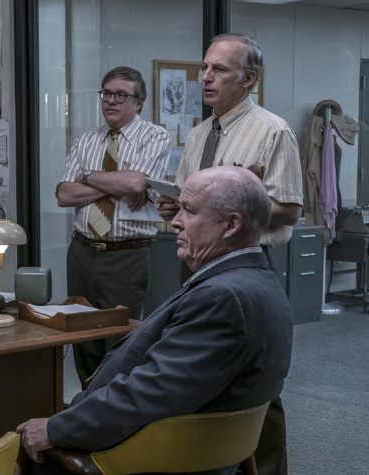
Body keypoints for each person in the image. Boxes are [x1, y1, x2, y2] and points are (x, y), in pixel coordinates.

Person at [17, 167, 294, 475]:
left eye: (188, 211)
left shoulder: (224, 297)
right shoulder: (261, 283)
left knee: (12, 443)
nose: (174, 220)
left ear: (231, 224)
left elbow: (146, 396)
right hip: (203, 453)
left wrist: (55, 429)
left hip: (141, 458)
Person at [156, 33, 302, 475]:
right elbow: (193, 199)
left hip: (243, 271)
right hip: (197, 266)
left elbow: (290, 209)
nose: (205, 78)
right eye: (204, 68)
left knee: (256, 385)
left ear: (249, 79)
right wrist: (176, 205)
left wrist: (231, 206)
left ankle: (269, 468)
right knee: (199, 372)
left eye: (218, 70)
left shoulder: (272, 131)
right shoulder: (201, 132)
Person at [56, 66, 170, 391]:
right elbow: (64, 194)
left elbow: (136, 182)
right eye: (106, 93)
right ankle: (86, 408)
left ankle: (112, 413)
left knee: (119, 343)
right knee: (82, 338)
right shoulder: (86, 140)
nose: (111, 101)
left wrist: (87, 177)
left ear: (139, 102)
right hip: (81, 251)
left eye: (121, 95)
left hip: (126, 256)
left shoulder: (154, 136)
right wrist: (116, 185)